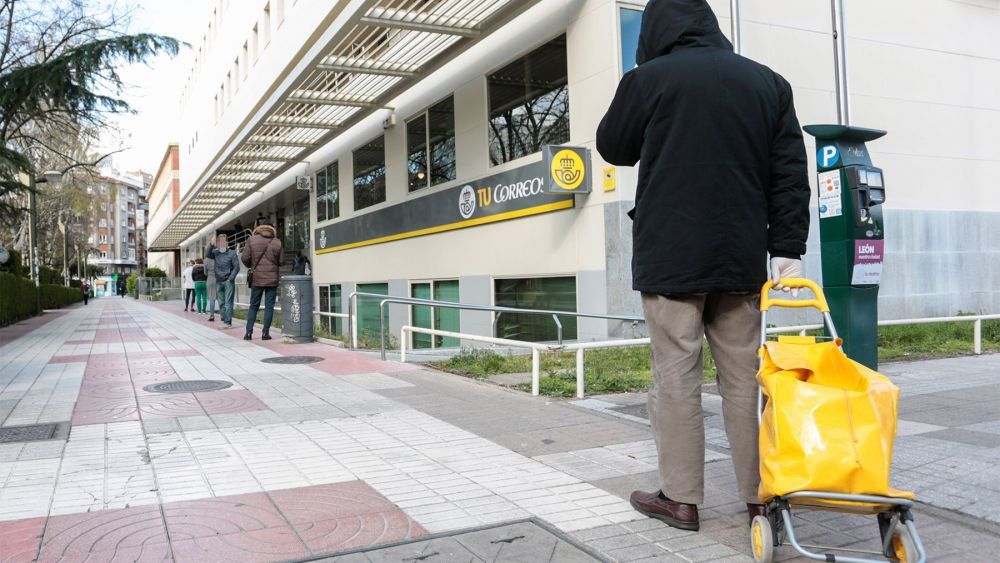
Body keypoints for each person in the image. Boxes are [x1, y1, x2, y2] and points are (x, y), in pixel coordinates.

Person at [596, 0, 810, 532]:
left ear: (657, 29)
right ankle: (761, 498)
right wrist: (787, 247)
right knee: (744, 379)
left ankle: (681, 499)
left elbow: (613, 147)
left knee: (676, 375)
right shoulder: (768, 84)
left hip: (670, 257)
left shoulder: (649, 79)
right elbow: (789, 171)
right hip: (741, 256)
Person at [241, 221, 283, 340]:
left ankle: (248, 333)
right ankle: (265, 333)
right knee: (269, 306)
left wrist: (252, 265)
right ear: (272, 229)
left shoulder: (251, 240)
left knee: (253, 305)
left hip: (257, 279)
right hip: (272, 279)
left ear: (258, 228)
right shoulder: (277, 242)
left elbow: (244, 258)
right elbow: (282, 261)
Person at [208, 234, 240, 329]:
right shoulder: (215, 252)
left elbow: (236, 267)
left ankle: (227, 322)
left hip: (228, 281)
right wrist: (211, 243)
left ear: (227, 242)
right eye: (219, 241)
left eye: (223, 241)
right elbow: (207, 255)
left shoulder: (232, 253)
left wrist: (231, 278)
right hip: (218, 281)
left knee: (228, 302)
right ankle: (225, 319)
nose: (221, 243)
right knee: (221, 303)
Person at [205, 242, 218, 321]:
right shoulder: (219, 258)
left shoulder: (206, 260)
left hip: (210, 279)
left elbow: (205, 272)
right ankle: (223, 316)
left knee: (212, 298)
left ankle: (212, 315)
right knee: (221, 298)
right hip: (219, 278)